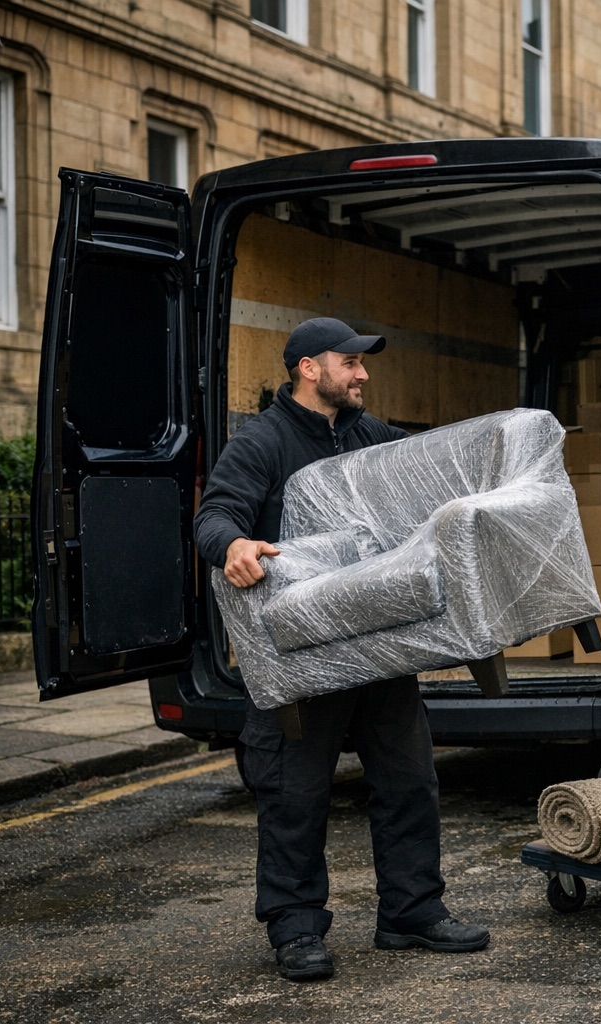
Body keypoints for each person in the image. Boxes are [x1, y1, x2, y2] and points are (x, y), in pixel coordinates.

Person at [194, 316, 489, 982]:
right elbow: (215, 515)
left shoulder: (373, 438)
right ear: (308, 368)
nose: (362, 373)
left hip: (379, 647)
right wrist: (233, 544)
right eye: (349, 362)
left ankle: (412, 912)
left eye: (361, 363)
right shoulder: (262, 443)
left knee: (409, 782)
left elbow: (434, 482)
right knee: (294, 795)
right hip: (300, 655)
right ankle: (296, 928)